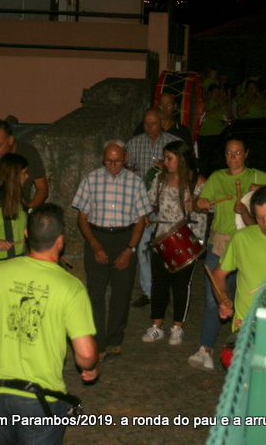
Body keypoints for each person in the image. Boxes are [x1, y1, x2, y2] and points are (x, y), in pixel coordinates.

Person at [0, 203, 98, 445]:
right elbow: (85, 353)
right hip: (41, 400)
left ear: (27, 235)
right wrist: (90, 367)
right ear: (60, 241)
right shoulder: (71, 287)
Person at [187, 137, 266, 371]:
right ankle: (206, 349)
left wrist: (263, 189)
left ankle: (242, 351)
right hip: (220, 244)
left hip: (249, 245)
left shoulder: (256, 177)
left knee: (242, 298)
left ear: (246, 154)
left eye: (237, 152)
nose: (233, 157)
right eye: (228, 152)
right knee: (214, 297)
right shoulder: (217, 177)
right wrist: (200, 203)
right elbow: (195, 205)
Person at [73, 140, 152, 361]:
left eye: (117, 161)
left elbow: (140, 220)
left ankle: (115, 338)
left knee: (121, 292)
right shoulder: (91, 179)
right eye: (108, 161)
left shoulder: (135, 183)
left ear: (125, 159)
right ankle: (98, 340)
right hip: (97, 236)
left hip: (124, 237)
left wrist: (129, 249)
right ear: (103, 158)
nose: (112, 165)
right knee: (96, 293)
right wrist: (94, 244)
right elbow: (82, 217)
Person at [141, 141, 206, 346]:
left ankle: (178, 327)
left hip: (187, 240)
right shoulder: (161, 179)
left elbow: (209, 209)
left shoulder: (198, 181)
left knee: (181, 285)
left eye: (170, 158)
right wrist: (146, 215)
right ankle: (156, 326)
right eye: (165, 157)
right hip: (162, 238)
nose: (165, 162)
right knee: (159, 283)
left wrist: (198, 206)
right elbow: (150, 202)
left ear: (182, 159)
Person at [213, 185, 266, 331]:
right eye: (260, 217)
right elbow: (218, 274)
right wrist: (223, 299)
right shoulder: (242, 238)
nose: (265, 224)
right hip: (245, 325)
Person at [126, 108, 180, 309]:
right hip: (142, 205)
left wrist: (166, 168)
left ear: (162, 123)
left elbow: (186, 171)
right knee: (142, 247)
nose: (149, 127)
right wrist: (129, 171)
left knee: (167, 248)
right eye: (146, 123)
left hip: (167, 205)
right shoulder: (134, 143)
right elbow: (126, 170)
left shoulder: (173, 143)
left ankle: (167, 289)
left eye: (153, 123)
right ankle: (148, 291)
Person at [0, 120, 48, 208]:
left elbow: (42, 189)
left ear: (10, 140)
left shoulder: (28, 152)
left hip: (20, 208)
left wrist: (28, 209)